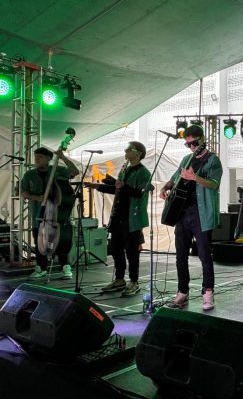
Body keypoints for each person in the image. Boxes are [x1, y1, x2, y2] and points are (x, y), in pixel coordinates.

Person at [160, 125, 223, 311]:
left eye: (194, 143)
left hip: (201, 214)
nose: (192, 147)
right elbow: (174, 178)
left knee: (204, 255)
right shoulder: (187, 159)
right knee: (180, 255)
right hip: (182, 213)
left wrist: (195, 178)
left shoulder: (213, 160)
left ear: (202, 139)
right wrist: (165, 188)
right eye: (188, 144)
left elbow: (214, 184)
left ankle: (208, 293)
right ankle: (182, 292)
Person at [85, 141, 151, 296]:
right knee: (115, 249)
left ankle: (134, 281)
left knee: (132, 252)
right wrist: (98, 186)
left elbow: (140, 193)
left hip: (132, 218)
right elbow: (118, 189)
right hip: (118, 216)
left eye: (129, 150)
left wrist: (121, 186)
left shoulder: (143, 172)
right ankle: (119, 279)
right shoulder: (125, 170)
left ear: (138, 153)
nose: (125, 152)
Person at [21, 147, 79, 280]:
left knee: (61, 239)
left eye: (40, 157)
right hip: (39, 214)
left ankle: (65, 267)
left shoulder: (58, 170)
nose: (37, 159)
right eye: (36, 157)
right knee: (39, 241)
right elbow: (24, 192)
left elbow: (74, 172)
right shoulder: (29, 175)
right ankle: (41, 268)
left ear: (49, 158)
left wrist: (63, 157)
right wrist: (37, 198)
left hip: (58, 214)